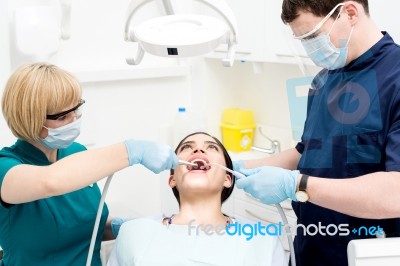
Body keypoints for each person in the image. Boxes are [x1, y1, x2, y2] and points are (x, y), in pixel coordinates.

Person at [233, 1, 400, 265]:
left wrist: (297, 185)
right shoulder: (323, 80)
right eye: (302, 40)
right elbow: (307, 152)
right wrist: (234, 167)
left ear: (350, 13)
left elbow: (396, 193)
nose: (310, 48)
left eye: (313, 36)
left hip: (365, 253)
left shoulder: (395, 78)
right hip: (310, 248)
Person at [0, 63, 178, 266]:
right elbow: (49, 181)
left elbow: (87, 229)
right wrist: (131, 151)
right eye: (62, 116)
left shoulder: (77, 153)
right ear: (30, 118)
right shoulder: (6, 168)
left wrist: (123, 227)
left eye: (76, 109)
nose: (74, 120)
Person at [107, 132, 287, 266]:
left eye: (212, 147)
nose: (198, 149)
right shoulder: (134, 233)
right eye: (186, 147)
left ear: (227, 178)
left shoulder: (262, 240)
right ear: (172, 179)